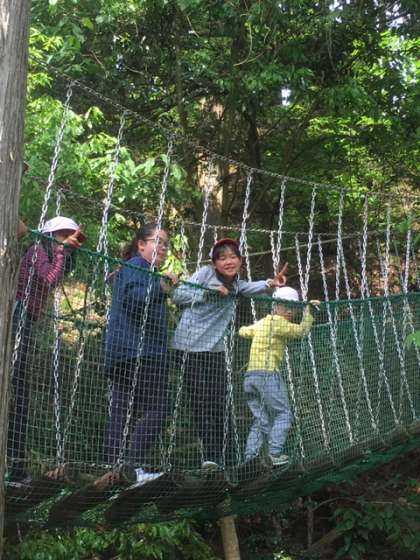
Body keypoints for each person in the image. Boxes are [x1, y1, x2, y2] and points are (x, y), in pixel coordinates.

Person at [171, 238, 288, 469]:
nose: (229, 261)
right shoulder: (205, 274)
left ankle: (230, 459)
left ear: (240, 261)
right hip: (187, 348)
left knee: (221, 402)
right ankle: (211, 458)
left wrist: (270, 283)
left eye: (233, 257)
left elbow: (250, 287)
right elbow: (178, 295)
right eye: (222, 258)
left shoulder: (236, 285)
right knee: (202, 402)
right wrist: (209, 292)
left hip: (214, 350)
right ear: (214, 263)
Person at [8, 216, 84, 482]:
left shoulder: (51, 254)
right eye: (63, 235)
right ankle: (14, 466)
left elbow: (56, 276)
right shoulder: (37, 251)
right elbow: (50, 279)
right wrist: (62, 252)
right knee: (16, 389)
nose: (67, 241)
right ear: (51, 235)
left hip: (26, 319)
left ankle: (16, 466)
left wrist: (66, 252)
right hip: (17, 316)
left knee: (20, 392)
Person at [103, 223, 178, 486]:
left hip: (124, 351)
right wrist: (161, 289)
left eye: (166, 243)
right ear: (141, 244)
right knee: (158, 407)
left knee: (122, 410)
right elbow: (135, 300)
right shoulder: (138, 265)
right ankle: (132, 467)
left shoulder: (135, 268)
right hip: (141, 351)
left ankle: (113, 469)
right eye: (158, 241)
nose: (163, 247)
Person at [239, 286, 320, 467]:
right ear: (279, 307)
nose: (291, 312)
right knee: (283, 415)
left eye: (294, 308)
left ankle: (250, 458)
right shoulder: (279, 323)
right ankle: (273, 453)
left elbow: (243, 331)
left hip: (250, 377)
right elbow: (301, 331)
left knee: (261, 420)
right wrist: (308, 313)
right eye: (288, 307)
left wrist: (247, 330)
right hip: (267, 375)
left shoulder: (262, 323)